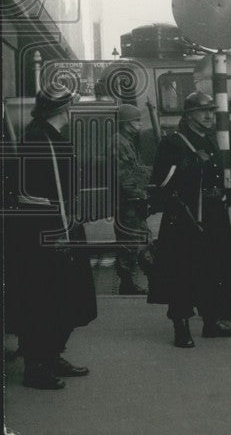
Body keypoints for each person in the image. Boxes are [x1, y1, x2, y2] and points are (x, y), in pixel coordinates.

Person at [8, 91, 96, 389]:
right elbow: (28, 195)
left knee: (67, 297)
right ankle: (36, 366)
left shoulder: (51, 136)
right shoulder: (37, 140)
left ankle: (52, 354)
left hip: (62, 228)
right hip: (45, 234)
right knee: (43, 300)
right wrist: (58, 229)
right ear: (64, 109)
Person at [148, 91, 231, 348]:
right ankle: (181, 326)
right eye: (202, 111)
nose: (208, 115)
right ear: (188, 114)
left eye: (211, 111)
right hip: (185, 217)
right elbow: (162, 183)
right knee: (182, 273)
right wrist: (184, 165)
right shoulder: (174, 143)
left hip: (212, 215)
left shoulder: (208, 140)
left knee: (214, 269)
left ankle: (211, 322)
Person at [114, 103, 153, 295]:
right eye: (136, 120)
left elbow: (135, 170)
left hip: (131, 201)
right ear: (127, 123)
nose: (139, 124)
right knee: (131, 243)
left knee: (140, 240)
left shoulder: (125, 141)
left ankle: (144, 280)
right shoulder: (119, 143)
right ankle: (128, 283)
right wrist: (140, 194)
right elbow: (124, 177)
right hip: (127, 202)